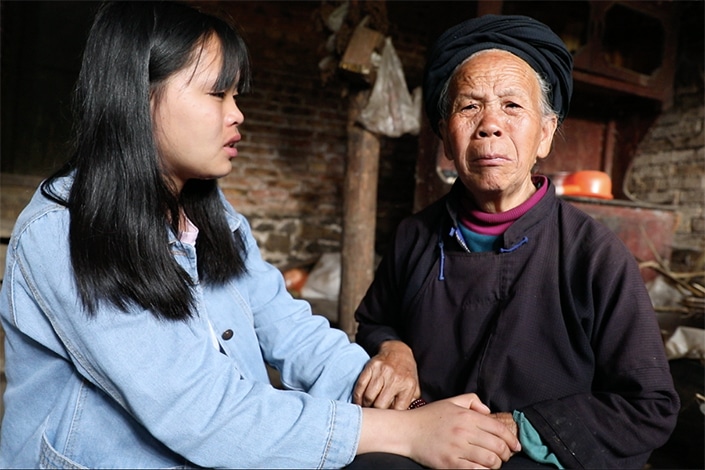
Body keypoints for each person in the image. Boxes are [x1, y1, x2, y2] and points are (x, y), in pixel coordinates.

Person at [0, 3, 522, 469]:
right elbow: (206, 416)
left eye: (235, 95)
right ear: (139, 98)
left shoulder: (211, 214)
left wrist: (413, 408)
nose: (237, 114)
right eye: (216, 94)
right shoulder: (66, 233)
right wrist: (406, 433)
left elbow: (290, 329)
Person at [354, 14, 680, 469]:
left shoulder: (594, 254)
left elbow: (647, 406)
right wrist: (394, 349)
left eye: (511, 106)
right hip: (421, 443)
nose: (490, 125)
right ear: (446, 140)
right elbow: (374, 322)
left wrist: (515, 428)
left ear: (544, 134)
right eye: (469, 107)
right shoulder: (415, 235)